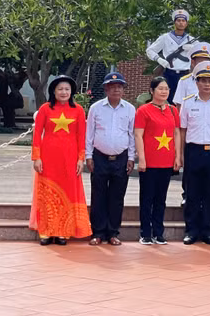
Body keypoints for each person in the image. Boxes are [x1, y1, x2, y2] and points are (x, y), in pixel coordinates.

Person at [29, 75, 92, 245]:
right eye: (60, 89)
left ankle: (64, 231)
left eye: (67, 89)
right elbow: (37, 134)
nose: (64, 92)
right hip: (48, 157)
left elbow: (81, 136)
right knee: (47, 193)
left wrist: (81, 159)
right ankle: (46, 231)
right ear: (54, 91)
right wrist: (36, 157)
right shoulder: (45, 109)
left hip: (70, 158)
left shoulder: (78, 110)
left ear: (72, 92)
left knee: (68, 192)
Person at [179, 62, 210, 245]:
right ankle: (191, 230)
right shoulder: (188, 103)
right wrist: (180, 153)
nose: (207, 84)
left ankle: (208, 231)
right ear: (197, 83)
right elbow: (182, 130)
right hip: (193, 151)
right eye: (203, 81)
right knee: (192, 193)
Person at [85, 72, 135, 246]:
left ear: (123, 90)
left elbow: (131, 135)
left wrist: (131, 157)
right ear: (106, 89)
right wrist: (88, 156)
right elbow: (89, 133)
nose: (116, 90)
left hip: (121, 158)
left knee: (117, 196)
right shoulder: (96, 108)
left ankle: (113, 232)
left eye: (119, 87)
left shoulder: (129, 109)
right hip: (99, 157)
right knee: (98, 195)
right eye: (112, 87)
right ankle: (98, 232)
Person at [134, 77, 181, 245]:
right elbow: (138, 135)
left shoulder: (173, 111)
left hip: (167, 161)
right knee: (147, 199)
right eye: (160, 88)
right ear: (152, 91)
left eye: (166, 89)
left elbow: (176, 134)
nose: (164, 91)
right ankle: (145, 233)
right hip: (149, 161)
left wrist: (177, 156)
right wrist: (142, 158)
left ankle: (158, 233)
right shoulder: (143, 110)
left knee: (161, 199)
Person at [145, 9, 197, 103]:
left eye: (183, 21)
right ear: (174, 22)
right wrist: (159, 60)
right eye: (178, 20)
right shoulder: (165, 37)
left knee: (185, 101)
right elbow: (150, 50)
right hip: (169, 74)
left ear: (186, 23)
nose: (181, 23)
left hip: (185, 74)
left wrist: (193, 48)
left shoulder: (191, 39)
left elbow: (202, 52)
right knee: (167, 101)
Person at [175, 43, 210, 108]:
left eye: (206, 62)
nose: (204, 65)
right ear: (193, 63)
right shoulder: (184, 81)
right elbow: (179, 106)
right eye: (201, 62)